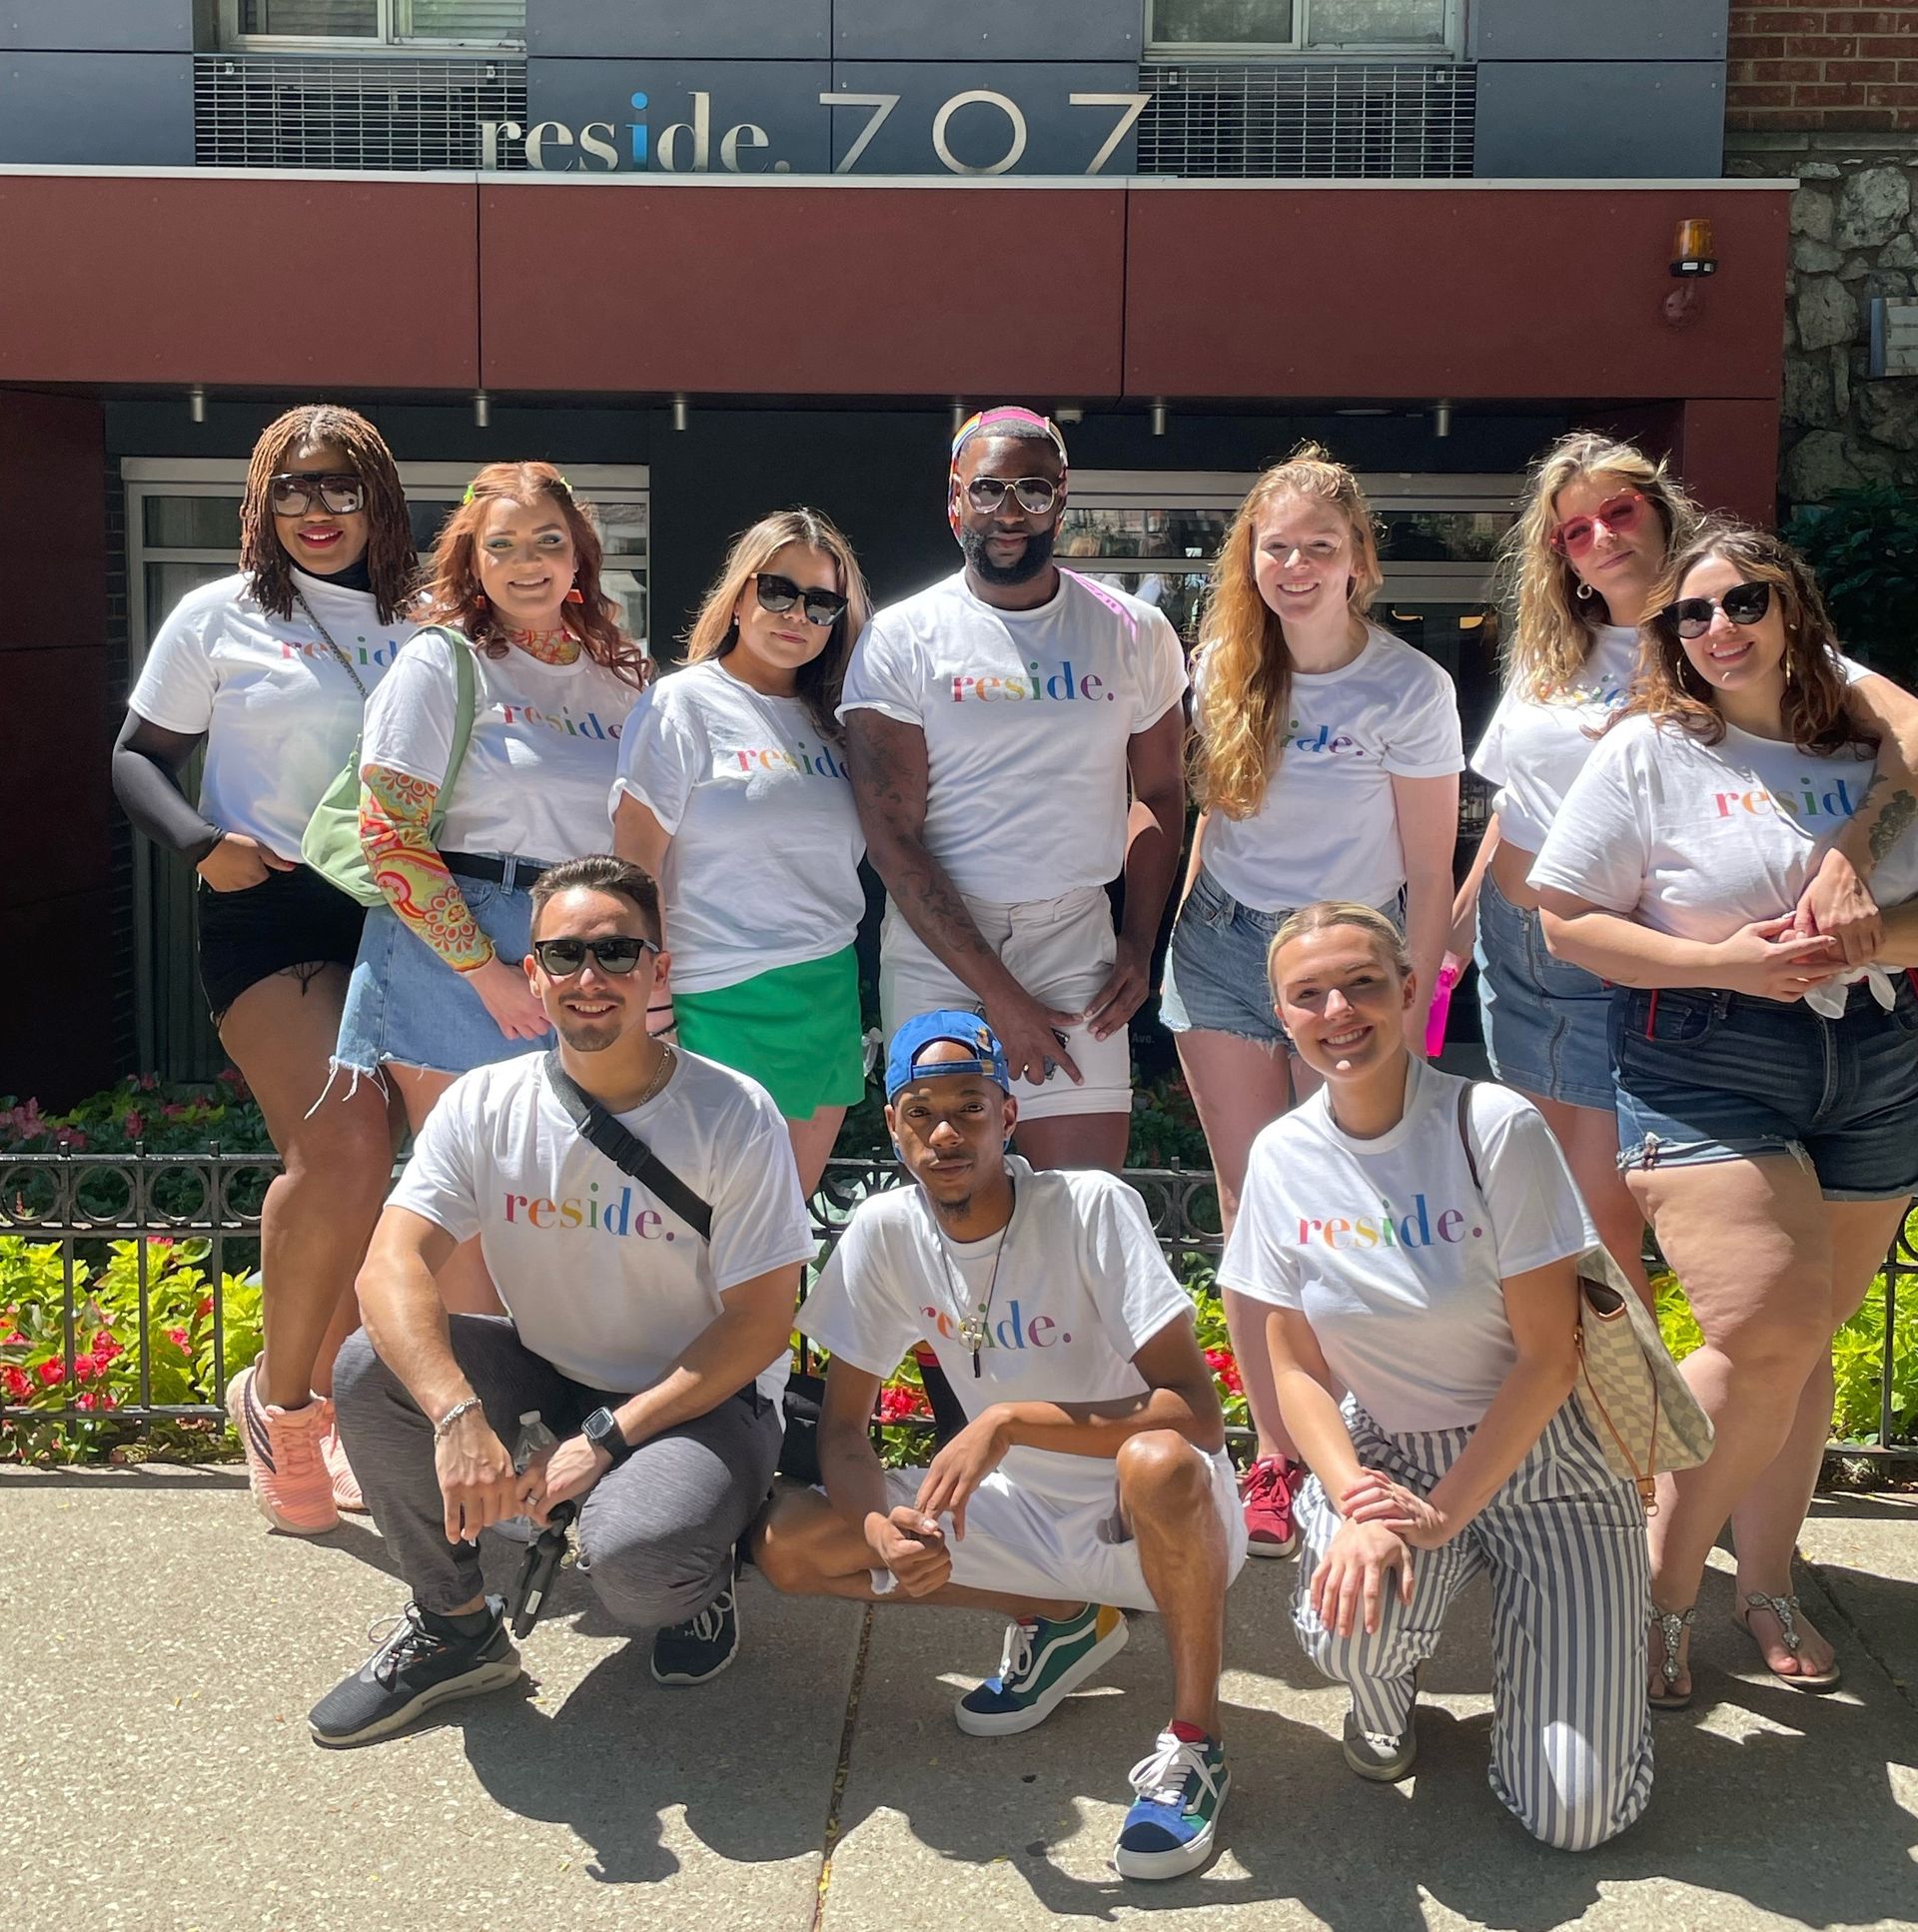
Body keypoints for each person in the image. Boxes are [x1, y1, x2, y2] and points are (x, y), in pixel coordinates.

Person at [1531, 521, 1918, 1706]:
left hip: (1878, 1047)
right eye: (1691, 614)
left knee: (1798, 1354)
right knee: (1765, 1327)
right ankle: (1647, 1576)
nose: (1718, 628)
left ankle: (1767, 1580)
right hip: (1705, 1050)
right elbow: (1564, 917)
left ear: (1794, 609)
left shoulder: (1871, 756)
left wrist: (1858, 901)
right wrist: (1731, 969)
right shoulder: (1651, 749)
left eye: (1743, 600)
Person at [311, 856, 817, 1745]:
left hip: (701, 1399)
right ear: (532, 972)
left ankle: (701, 1575)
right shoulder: (484, 1104)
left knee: (636, 1563)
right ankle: (456, 1626)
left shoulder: (733, 1115)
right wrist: (456, 1414)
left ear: (658, 970)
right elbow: (390, 1265)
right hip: (551, 1370)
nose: (591, 978)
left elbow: (760, 1323)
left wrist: (607, 1442)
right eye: (565, 954)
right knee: (368, 1368)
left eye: (618, 953)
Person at [757, 1011, 1248, 1882]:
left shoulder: (1089, 1207)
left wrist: (1009, 1419)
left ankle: (1193, 1740)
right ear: (894, 1126)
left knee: (1159, 1459)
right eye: (920, 1110)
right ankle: (1062, 1623)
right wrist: (880, 1534)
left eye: (969, 1108)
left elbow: (1195, 1416)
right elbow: (842, 1432)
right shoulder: (884, 1230)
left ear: (1008, 1117)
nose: (946, 1132)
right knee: (790, 1543)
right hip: (1017, 1515)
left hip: (1149, 1520)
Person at [1219, 902, 1652, 1851]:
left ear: (1411, 990)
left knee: (1576, 1816)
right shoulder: (1285, 1156)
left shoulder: (1490, 1125)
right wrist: (1361, 1506)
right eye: (1309, 994)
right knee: (1349, 1624)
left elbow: (1550, 1358)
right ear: (1282, 1016)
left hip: (1549, 1458)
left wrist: (1447, 1517)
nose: (1339, 1009)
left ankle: (1554, 1672)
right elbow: (1290, 1362)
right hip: (1386, 1450)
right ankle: (1383, 1702)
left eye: (1363, 983)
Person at [1460, 433, 1918, 1315]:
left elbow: (1908, 737)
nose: (1601, 537)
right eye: (1574, 531)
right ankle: (1621, 1434)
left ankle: (1691, 1428)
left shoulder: (1743, 630)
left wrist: (1845, 864)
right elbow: (1522, 814)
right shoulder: (1553, 655)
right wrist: (1447, 939)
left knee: (1695, 1239)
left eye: (1619, 510)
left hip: (1689, 965)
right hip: (1536, 960)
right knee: (1580, 1226)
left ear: (1665, 513)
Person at [113, 404, 417, 1534]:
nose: (317, 509)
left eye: (341, 485)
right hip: (272, 902)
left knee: (376, 1177)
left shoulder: (430, 613)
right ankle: (281, 1407)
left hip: (410, 909)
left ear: (378, 494)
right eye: (293, 487)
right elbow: (137, 756)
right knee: (344, 1143)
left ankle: (330, 1397)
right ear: (261, 498)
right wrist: (205, 846)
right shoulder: (219, 615)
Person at [1161, 446, 1463, 1560]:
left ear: (1359, 562)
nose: (1294, 565)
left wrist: (1412, 1015)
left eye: (1318, 548)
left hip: (1347, 965)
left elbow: (1430, 872)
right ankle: (1280, 1458)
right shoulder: (1223, 665)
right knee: (1253, 1209)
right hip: (1227, 952)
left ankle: (1359, 1437)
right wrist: (1184, 933)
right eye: (1275, 544)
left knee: (1343, 1205)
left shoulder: (1409, 687)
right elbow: (1213, 817)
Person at [334, 462, 650, 1311]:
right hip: (459, 951)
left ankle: (538, 1414)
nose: (527, 562)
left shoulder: (624, 676)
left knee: (560, 1195)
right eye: (500, 545)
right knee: (468, 1204)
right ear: (471, 561)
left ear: (580, 554)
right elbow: (389, 835)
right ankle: (476, 1421)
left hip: (581, 944)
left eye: (548, 541)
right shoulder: (441, 663)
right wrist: (488, 973)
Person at [840, 407, 1187, 1173]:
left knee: (1085, 1199)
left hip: (1075, 938)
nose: (1009, 513)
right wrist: (998, 994)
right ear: (954, 500)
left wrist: (1137, 942)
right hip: (941, 947)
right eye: (989, 490)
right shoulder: (902, 637)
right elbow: (893, 836)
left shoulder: (1135, 632)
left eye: (1032, 491)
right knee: (951, 1188)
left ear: (1062, 498)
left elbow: (1159, 793)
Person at [612, 508, 873, 1198]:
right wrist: (653, 1005)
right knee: (694, 1243)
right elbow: (636, 866)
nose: (797, 615)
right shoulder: (682, 703)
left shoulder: (841, 723)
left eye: (821, 603)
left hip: (824, 997)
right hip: (711, 1001)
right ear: (740, 594)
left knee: (777, 1244)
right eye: (778, 591)